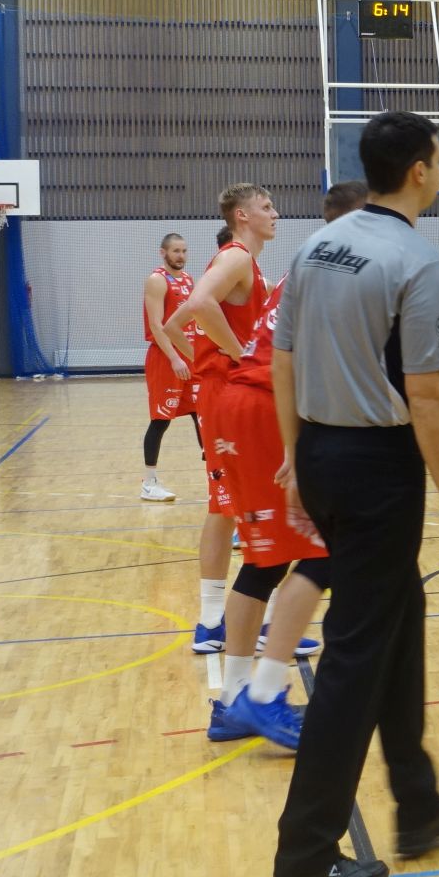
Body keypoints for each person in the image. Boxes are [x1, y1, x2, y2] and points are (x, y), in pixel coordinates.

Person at [268, 112, 439, 877]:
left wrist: (296, 457)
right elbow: (427, 395)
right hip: (377, 469)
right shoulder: (417, 261)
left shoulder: (317, 245)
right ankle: (305, 855)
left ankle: (418, 804)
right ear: (420, 170)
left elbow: (284, 359)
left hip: (322, 451)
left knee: (401, 613)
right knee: (355, 656)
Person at [204, 181, 367, 750]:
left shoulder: (310, 261)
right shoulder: (341, 268)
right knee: (324, 550)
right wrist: (298, 453)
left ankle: (232, 701)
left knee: (267, 559)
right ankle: (264, 693)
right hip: (262, 408)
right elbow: (305, 364)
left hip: (246, 405)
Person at [166, 185, 278, 655]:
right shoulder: (234, 257)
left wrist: (210, 359)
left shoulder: (246, 264)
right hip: (229, 395)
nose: (275, 213)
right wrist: (240, 356)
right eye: (266, 207)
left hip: (228, 391)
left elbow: (175, 327)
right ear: (242, 215)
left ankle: (241, 620)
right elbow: (197, 306)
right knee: (233, 504)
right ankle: (220, 621)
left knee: (236, 504)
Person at [140, 233, 201, 502]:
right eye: (176, 251)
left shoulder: (188, 279)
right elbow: (157, 325)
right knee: (161, 420)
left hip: (189, 356)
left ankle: (216, 477)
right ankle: (149, 482)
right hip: (166, 358)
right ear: (163, 253)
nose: (181, 256)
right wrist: (175, 358)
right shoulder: (157, 280)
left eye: (184, 251)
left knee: (201, 414)